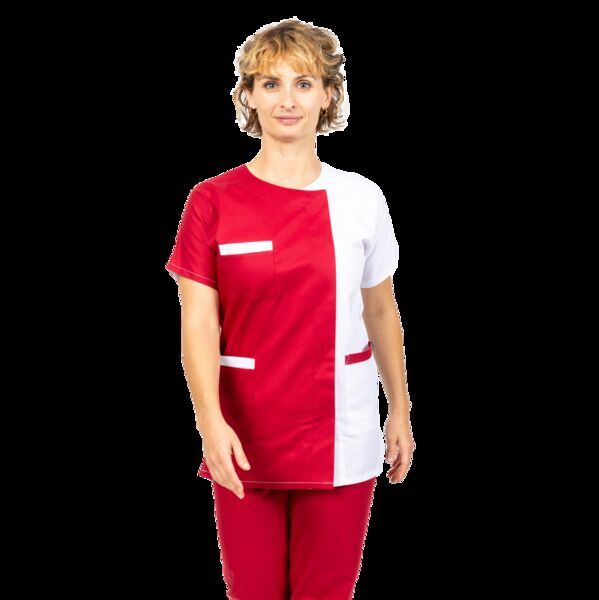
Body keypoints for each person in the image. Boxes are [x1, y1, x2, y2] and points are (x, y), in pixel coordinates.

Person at [165, 17, 415, 599]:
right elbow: (198, 323)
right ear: (248, 96)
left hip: (342, 432)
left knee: (326, 592)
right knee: (252, 591)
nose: (287, 100)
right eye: (270, 83)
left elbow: (381, 312)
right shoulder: (211, 201)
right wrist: (209, 424)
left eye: (304, 83)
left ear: (328, 95)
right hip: (245, 435)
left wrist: (400, 408)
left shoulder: (361, 199)